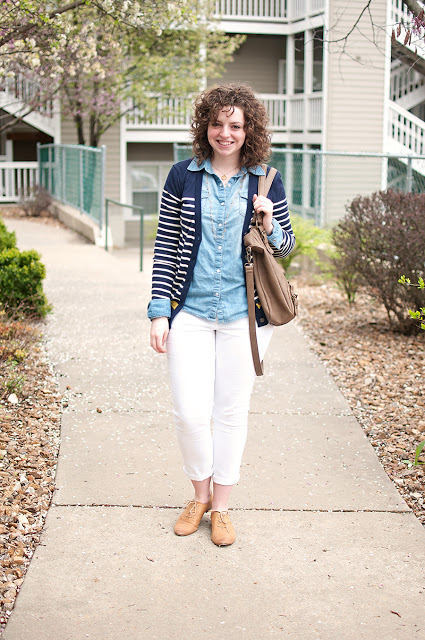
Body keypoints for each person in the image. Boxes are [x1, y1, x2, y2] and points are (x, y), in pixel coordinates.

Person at [148, 84, 295, 546]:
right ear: (205, 126)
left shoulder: (267, 179)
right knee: (191, 413)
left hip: (244, 317)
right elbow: (166, 247)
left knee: (230, 412)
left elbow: (287, 247)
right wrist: (158, 312)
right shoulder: (182, 176)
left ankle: (223, 506)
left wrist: (270, 224)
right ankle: (199, 495)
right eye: (217, 123)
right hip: (189, 311)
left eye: (235, 125)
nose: (225, 133)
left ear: (248, 129)